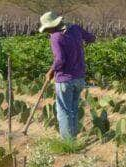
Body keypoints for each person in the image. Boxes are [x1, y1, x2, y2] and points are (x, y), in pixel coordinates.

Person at [39, 11, 96, 139]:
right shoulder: (75, 29)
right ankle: (73, 138)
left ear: (53, 25)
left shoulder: (56, 37)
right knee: (74, 110)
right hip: (79, 79)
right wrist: (81, 43)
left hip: (64, 79)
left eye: (48, 28)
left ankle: (67, 141)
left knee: (64, 111)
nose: (48, 31)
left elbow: (60, 59)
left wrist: (50, 72)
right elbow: (92, 38)